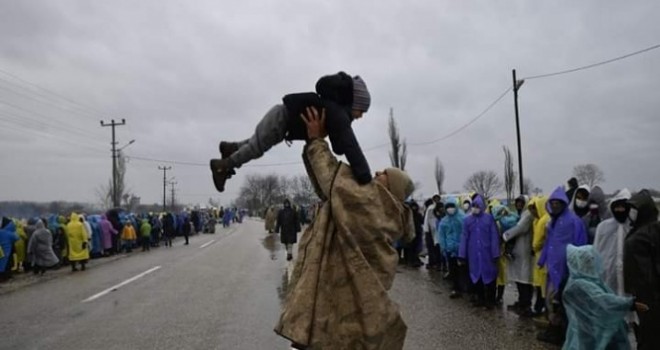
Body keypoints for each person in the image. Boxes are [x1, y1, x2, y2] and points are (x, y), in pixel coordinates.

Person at [275, 106, 414, 350]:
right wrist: (312, 143)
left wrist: (317, 140)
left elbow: (334, 181)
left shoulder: (375, 206)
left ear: (391, 189)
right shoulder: (377, 210)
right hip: (339, 305)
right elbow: (330, 189)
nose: (377, 172)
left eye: (384, 174)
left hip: (341, 312)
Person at [210, 72, 372, 192]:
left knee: (254, 143)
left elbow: (339, 145)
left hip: (281, 118)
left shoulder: (335, 112)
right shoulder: (338, 114)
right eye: (362, 110)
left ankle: (230, 148)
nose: (361, 116)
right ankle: (223, 166)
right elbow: (352, 148)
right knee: (256, 148)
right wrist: (365, 177)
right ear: (354, 103)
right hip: (282, 120)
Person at [562, 244, 648, 350]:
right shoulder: (580, 284)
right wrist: (629, 304)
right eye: (588, 261)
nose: (592, 264)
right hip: (590, 331)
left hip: (590, 330)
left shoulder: (588, 281)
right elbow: (604, 300)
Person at [536, 186, 588, 345]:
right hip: (553, 269)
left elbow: (581, 244)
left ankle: (564, 334)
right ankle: (554, 330)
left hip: (567, 269)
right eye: (553, 203)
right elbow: (548, 243)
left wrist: (578, 267)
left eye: (559, 203)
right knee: (551, 300)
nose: (555, 206)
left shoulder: (574, 221)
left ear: (564, 203)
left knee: (565, 302)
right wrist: (542, 260)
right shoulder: (552, 222)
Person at [624, 189, 660, 350]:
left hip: (646, 297)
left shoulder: (640, 237)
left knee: (648, 336)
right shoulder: (652, 230)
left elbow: (644, 274)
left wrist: (641, 297)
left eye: (634, 209)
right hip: (651, 295)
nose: (630, 213)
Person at [458, 194, 500, 310]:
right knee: (476, 276)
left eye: (477, 205)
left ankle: (491, 300)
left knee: (490, 276)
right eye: (474, 205)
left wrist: (495, 253)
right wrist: (462, 254)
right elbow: (464, 237)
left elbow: (494, 237)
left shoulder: (488, 219)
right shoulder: (467, 220)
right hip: (474, 254)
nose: (475, 207)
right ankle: (480, 298)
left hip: (487, 253)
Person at [502, 196, 535, 317]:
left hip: (524, 251)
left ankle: (525, 305)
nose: (519, 205)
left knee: (524, 280)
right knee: (520, 278)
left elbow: (519, 228)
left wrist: (505, 236)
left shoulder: (527, 215)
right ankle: (522, 302)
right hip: (519, 251)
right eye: (517, 202)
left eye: (522, 203)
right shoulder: (521, 214)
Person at [438, 198, 465, 298]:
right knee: (453, 270)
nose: (450, 209)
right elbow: (441, 236)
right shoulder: (444, 221)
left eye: (452, 206)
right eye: (448, 207)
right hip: (450, 249)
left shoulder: (462, 218)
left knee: (463, 270)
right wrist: (443, 248)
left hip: (461, 249)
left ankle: (465, 288)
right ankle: (456, 288)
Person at [529, 196, 550, 316]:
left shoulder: (543, 220)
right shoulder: (537, 220)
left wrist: (535, 246)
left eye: (534, 209)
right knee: (539, 284)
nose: (532, 212)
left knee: (542, 285)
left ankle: (540, 308)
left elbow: (537, 242)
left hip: (542, 256)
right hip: (539, 256)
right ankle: (539, 307)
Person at [423, 195, 443, 271]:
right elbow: (429, 221)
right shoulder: (431, 208)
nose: (436, 200)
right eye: (435, 198)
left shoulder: (437, 207)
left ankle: (436, 263)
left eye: (438, 198)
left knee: (436, 248)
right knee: (432, 247)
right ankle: (433, 262)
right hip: (431, 230)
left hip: (435, 230)